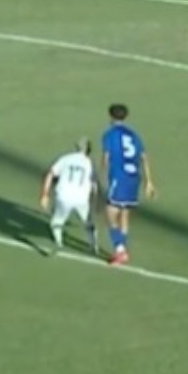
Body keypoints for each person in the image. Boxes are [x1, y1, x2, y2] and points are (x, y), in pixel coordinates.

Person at [102, 103, 156, 265]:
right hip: (134, 177)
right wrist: (149, 182)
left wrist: (100, 176)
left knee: (110, 212)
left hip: (119, 177)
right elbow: (144, 157)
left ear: (110, 116)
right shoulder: (133, 135)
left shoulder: (110, 135)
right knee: (124, 212)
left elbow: (106, 157)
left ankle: (119, 249)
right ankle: (122, 248)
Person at [40, 138, 98, 253]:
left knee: (56, 222)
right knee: (88, 222)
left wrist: (44, 194)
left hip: (63, 196)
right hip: (81, 198)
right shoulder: (89, 162)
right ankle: (93, 245)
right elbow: (94, 185)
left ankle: (58, 243)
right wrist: (94, 201)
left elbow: (50, 173)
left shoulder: (65, 158)